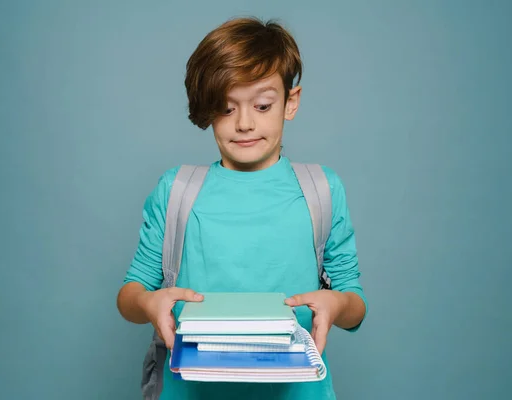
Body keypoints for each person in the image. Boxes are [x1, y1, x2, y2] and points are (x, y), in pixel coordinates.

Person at [117, 16, 368, 400]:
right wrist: (148, 302)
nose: (246, 123)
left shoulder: (321, 189)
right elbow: (130, 294)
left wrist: (336, 303)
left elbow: (355, 305)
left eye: (263, 104)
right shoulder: (177, 190)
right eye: (227, 108)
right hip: (190, 390)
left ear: (291, 102)